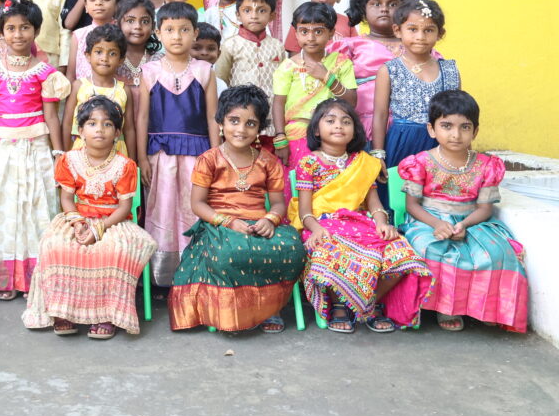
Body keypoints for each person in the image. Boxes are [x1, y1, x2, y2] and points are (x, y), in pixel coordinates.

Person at [169, 86, 305, 333]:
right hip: (220, 224)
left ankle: (269, 308)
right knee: (232, 252)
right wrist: (228, 221)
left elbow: (278, 203)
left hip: (258, 223)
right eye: (234, 121)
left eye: (250, 123)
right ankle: (233, 311)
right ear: (221, 122)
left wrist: (271, 220)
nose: (241, 129)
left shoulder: (268, 161)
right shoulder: (209, 159)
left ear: (259, 128)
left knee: (291, 248)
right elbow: (197, 204)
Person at [288, 100, 432, 333]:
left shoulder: (363, 163)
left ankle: (368, 302)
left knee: (400, 250)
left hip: (360, 224)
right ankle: (340, 304)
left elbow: (374, 204)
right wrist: (317, 229)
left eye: (346, 122)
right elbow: (305, 211)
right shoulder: (309, 163)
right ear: (316, 130)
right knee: (328, 250)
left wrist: (382, 223)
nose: (339, 126)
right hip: (322, 224)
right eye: (330, 121)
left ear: (355, 130)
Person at [23, 96, 156, 338]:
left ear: (117, 133)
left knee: (116, 250)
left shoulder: (125, 165)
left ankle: (107, 315)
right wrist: (78, 223)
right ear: (81, 131)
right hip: (78, 217)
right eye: (92, 124)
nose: (100, 129)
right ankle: (62, 311)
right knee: (54, 245)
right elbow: (66, 199)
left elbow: (125, 207)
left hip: (113, 220)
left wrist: (98, 229)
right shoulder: (69, 160)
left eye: (107, 124)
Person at [399, 91, 527, 333]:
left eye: (464, 127)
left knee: (495, 253)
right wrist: (437, 224)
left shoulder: (487, 165)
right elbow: (412, 205)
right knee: (430, 249)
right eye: (446, 126)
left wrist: (464, 225)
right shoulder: (421, 162)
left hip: (473, 221)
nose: (456, 135)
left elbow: (485, 208)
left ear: (475, 131)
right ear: (432, 129)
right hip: (428, 220)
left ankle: (488, 307)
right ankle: (446, 307)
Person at [0, 0, 72, 300]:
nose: (18, 34)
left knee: (36, 206)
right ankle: (5, 278)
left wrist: (59, 154)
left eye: (25, 28)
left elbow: (52, 117)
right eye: (11, 28)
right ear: (2, 31)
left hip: (36, 148)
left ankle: (35, 277)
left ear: (36, 31)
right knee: (6, 209)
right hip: (3, 148)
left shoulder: (45, 72)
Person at [139, 2, 220, 286]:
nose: (177, 36)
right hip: (159, 154)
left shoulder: (204, 70)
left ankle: (195, 270)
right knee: (161, 209)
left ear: (195, 33)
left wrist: (216, 157)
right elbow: (142, 117)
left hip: (197, 155)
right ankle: (162, 274)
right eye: (170, 30)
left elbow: (212, 117)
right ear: (158, 33)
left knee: (191, 208)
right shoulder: (149, 71)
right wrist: (141, 157)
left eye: (184, 30)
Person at [273, 1, 358, 196]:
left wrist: (326, 77)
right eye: (304, 31)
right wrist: (280, 138)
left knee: (328, 188)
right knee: (299, 187)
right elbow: (278, 102)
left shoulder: (341, 62)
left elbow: (351, 101)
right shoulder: (288, 66)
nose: (311, 38)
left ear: (331, 33)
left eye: (318, 31)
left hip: (332, 134)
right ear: (296, 33)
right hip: (297, 135)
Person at [372, 0, 460, 171]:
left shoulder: (450, 70)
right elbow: (380, 115)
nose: (420, 37)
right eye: (412, 29)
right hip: (402, 144)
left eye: (429, 30)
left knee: (437, 187)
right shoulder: (389, 70)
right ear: (397, 30)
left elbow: (459, 114)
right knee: (402, 187)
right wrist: (378, 154)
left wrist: (463, 154)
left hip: (440, 147)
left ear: (440, 33)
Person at [326, 0, 414, 138]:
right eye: (376, 4)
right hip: (363, 125)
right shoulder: (350, 46)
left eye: (393, 4)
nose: (384, 9)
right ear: (363, 10)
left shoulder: (415, 46)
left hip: (408, 129)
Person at [214, 0, 284, 150]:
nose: (254, 16)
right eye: (247, 10)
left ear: (272, 15)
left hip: (270, 123)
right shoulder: (230, 45)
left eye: (261, 10)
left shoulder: (277, 46)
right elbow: (221, 81)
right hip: (240, 122)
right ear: (238, 15)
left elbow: (283, 84)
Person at [61, 25, 137, 162]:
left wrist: (132, 162)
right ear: (88, 56)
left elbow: (129, 129)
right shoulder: (79, 86)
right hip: (82, 153)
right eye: (99, 52)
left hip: (116, 155)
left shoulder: (124, 90)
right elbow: (67, 124)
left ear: (121, 59)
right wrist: (64, 156)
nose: (105, 58)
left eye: (112, 53)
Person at [67, 0, 123, 82]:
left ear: (117, 5)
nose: (98, 3)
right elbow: (71, 75)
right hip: (83, 91)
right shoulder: (78, 35)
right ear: (86, 6)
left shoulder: (123, 33)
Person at [117, 0, 162, 87]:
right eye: (130, 21)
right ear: (118, 25)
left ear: (153, 27)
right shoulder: (112, 59)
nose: (137, 26)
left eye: (145, 21)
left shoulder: (160, 61)